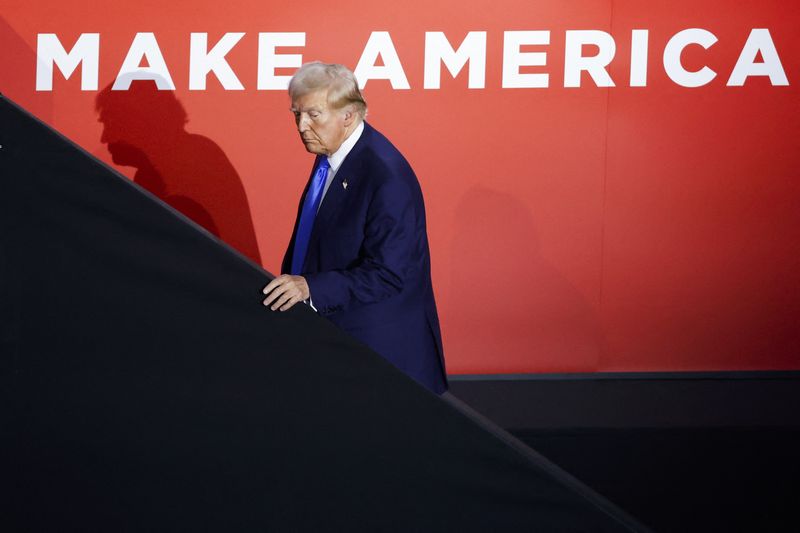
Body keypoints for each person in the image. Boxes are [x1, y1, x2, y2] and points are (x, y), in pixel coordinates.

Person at [262, 62, 447, 394]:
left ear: (348, 115)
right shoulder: (332, 155)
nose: (302, 126)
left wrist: (310, 289)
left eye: (313, 115)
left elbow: (389, 273)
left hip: (378, 357)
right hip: (333, 345)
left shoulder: (385, 177)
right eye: (297, 114)